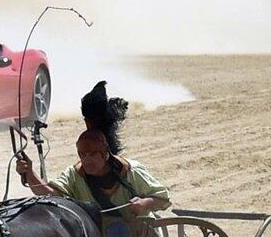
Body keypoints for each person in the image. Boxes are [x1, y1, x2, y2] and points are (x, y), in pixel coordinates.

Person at [16, 81, 170, 218]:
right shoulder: (74, 175)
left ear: (105, 155)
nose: (87, 160)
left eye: (93, 154)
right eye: (83, 155)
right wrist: (30, 174)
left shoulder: (131, 171)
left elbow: (162, 198)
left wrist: (146, 203)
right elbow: (53, 196)